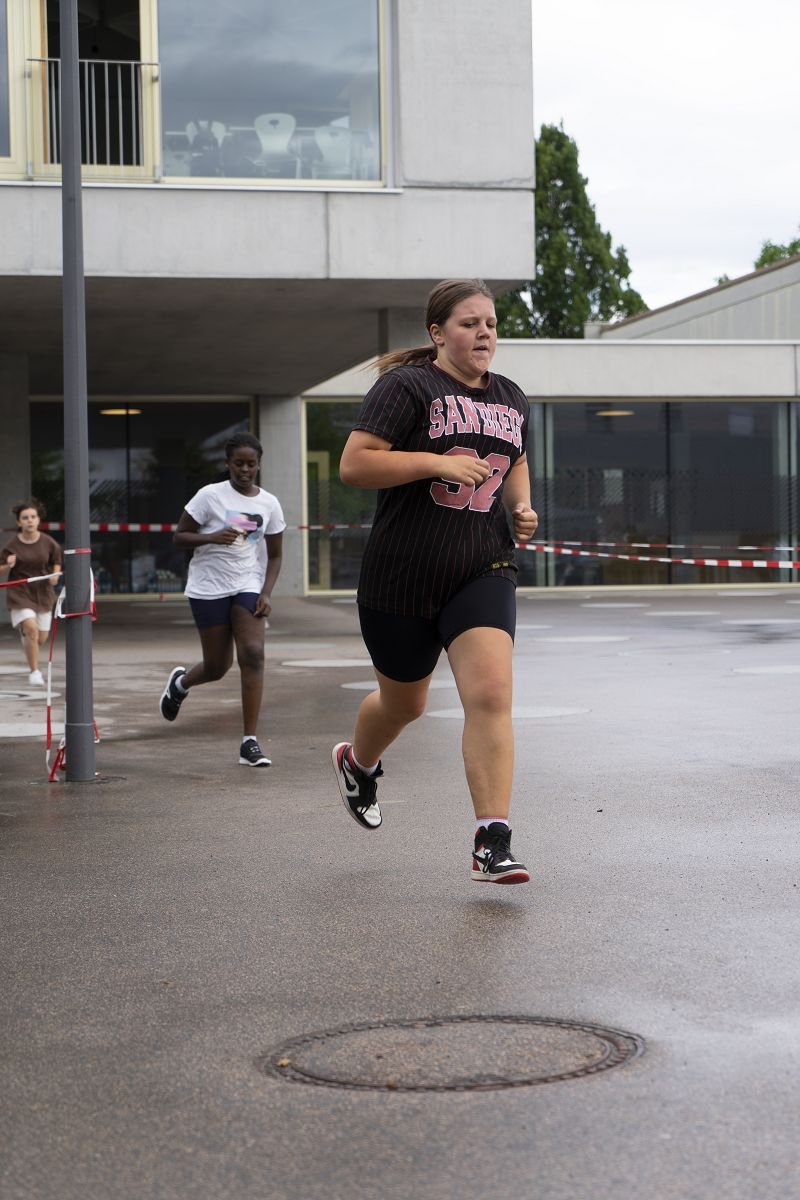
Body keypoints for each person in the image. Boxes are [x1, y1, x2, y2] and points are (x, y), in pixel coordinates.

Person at [331, 279, 539, 883]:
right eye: (470, 324)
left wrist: (521, 507)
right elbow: (355, 464)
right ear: (438, 333)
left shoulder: (511, 396)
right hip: (402, 575)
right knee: (405, 704)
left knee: (491, 693)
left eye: (491, 324)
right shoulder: (407, 387)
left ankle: (491, 840)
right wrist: (435, 462)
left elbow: (516, 459)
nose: (484, 334)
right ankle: (358, 762)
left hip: (482, 565)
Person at [159, 432, 285, 767]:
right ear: (228, 463)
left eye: (251, 464)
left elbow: (275, 555)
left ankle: (249, 742)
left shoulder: (269, 504)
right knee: (217, 666)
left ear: (259, 465)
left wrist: (266, 592)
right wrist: (212, 537)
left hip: (248, 584)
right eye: (239, 463)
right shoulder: (209, 496)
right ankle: (181, 684)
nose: (245, 470)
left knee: (253, 654)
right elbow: (179, 537)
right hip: (209, 586)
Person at [0, 499, 63, 686]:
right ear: (19, 522)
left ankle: (27, 636)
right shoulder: (11, 546)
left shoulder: (48, 542)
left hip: (43, 593)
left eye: (33, 517)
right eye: (25, 518)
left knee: (40, 638)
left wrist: (55, 575)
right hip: (19, 592)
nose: (30, 520)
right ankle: (34, 672)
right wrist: (8, 565)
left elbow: (57, 560)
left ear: (38, 520)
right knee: (32, 629)